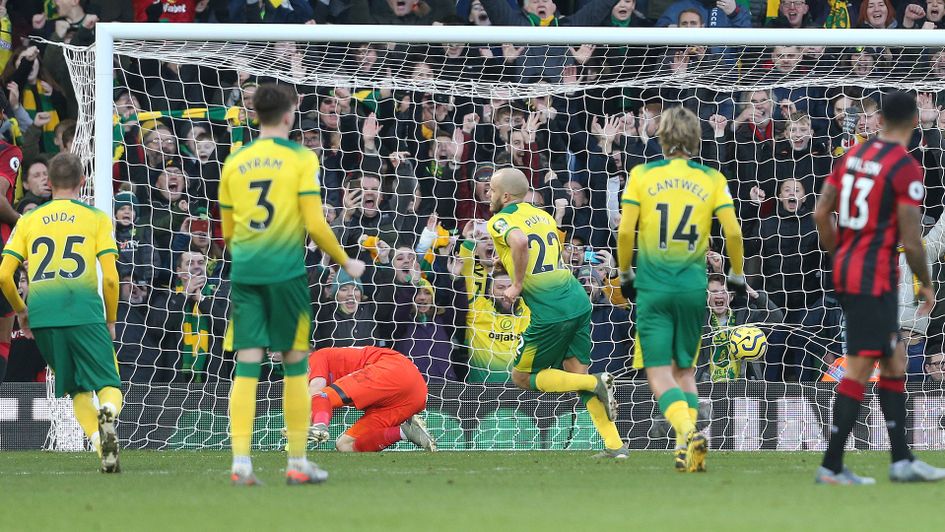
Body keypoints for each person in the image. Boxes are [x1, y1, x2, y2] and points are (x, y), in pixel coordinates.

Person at [219, 83, 365, 486]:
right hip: (286, 274)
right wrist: (345, 260)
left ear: (255, 114)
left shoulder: (235, 159)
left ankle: (241, 463)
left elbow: (228, 229)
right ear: (289, 115)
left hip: (247, 273)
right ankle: (297, 462)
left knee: (246, 367)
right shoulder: (301, 157)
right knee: (295, 368)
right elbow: (315, 223)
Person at [813, 91, 945, 484]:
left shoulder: (851, 158)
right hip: (877, 275)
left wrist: (841, 254)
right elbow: (911, 233)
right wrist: (924, 282)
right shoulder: (903, 167)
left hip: (853, 270)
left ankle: (901, 460)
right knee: (859, 367)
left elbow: (821, 212)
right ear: (914, 123)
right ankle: (831, 466)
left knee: (893, 361)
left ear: (881, 118)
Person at [617, 106, 745, 472]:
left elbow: (626, 232)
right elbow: (733, 232)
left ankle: (687, 431)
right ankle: (684, 449)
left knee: (658, 371)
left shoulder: (642, 174)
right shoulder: (712, 178)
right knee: (685, 371)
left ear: (661, 136)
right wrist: (735, 273)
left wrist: (625, 274)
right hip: (693, 285)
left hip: (654, 285)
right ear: (696, 140)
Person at [486, 167, 624, 458]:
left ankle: (595, 382)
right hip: (576, 299)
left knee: (523, 377)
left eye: (492, 189)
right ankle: (615, 447)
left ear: (506, 195)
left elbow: (521, 242)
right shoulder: (544, 216)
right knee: (576, 371)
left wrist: (518, 283)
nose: (488, 193)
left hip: (550, 309)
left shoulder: (499, 221)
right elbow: (549, 253)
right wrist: (507, 265)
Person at [0, 153, 122, 473]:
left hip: (42, 313)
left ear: (50, 184)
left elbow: (3, 275)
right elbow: (110, 278)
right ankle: (107, 415)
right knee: (108, 383)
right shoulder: (95, 218)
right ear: (82, 182)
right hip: (83, 309)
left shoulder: (28, 220)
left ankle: (101, 445)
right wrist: (110, 320)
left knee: (76, 388)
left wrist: (22, 312)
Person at [305, 346, 435, 452]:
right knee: (345, 446)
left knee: (321, 396)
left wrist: (311, 424)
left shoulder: (315, 357)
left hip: (393, 369)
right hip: (414, 396)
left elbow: (317, 390)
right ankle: (406, 432)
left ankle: (320, 427)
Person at [0, 136, 21, 384]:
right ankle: (106, 423)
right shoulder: (7, 150)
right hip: (3, 252)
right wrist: (23, 221)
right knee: (3, 336)